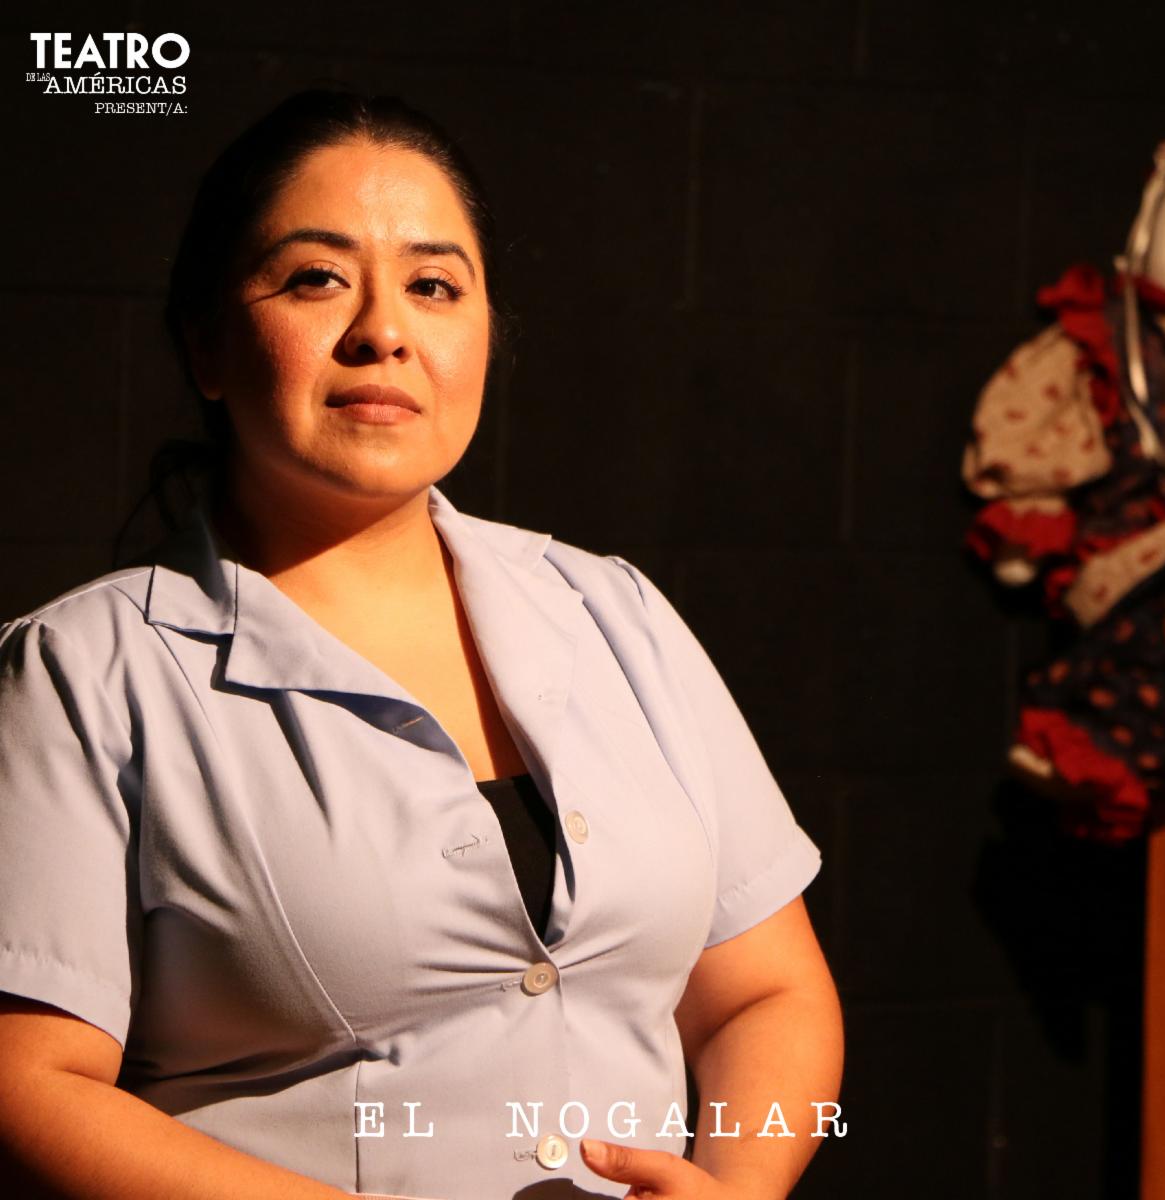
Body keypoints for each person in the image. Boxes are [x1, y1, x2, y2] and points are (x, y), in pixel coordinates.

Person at [0, 89, 843, 1200]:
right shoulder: (83, 673)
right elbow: (30, 1082)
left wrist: (740, 1185)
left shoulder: (614, 611)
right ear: (206, 343)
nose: (383, 331)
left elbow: (766, 994)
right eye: (317, 278)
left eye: (434, 286)